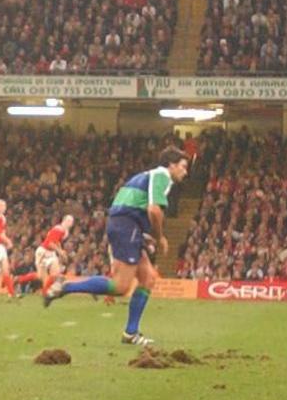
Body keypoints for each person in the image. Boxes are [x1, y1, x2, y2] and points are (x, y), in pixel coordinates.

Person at [42, 148, 190, 347]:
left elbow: (132, 206)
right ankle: (66, 286)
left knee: (148, 278)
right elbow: (154, 210)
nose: (185, 171)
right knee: (121, 286)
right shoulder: (162, 175)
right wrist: (159, 236)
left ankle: (131, 333)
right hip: (126, 226)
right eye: (183, 166)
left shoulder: (145, 177)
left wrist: (142, 235)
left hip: (126, 225)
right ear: (171, 165)